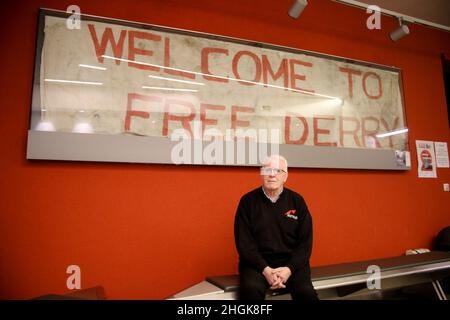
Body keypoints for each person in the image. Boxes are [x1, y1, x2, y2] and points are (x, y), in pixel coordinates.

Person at [234, 154, 318, 300]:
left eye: (278, 171)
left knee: (306, 293)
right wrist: (266, 270)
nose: (272, 175)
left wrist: (288, 269)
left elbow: (305, 244)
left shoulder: (297, 201)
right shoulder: (247, 202)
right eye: (267, 170)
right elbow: (244, 245)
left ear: (285, 176)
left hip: (291, 265)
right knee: (250, 291)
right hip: (257, 266)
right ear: (261, 174)